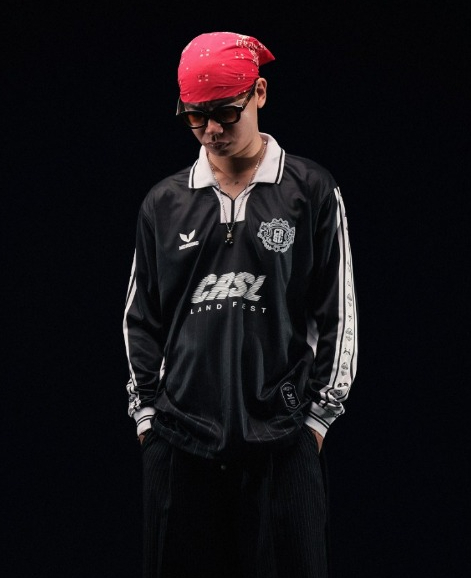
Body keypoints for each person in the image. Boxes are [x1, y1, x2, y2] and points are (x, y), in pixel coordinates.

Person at [123, 31, 359, 578]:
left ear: (260, 93)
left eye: (226, 113)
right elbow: (140, 317)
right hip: (180, 442)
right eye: (195, 117)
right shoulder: (163, 204)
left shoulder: (310, 191)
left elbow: (337, 312)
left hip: (283, 442)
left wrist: (316, 419)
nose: (211, 130)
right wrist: (147, 418)